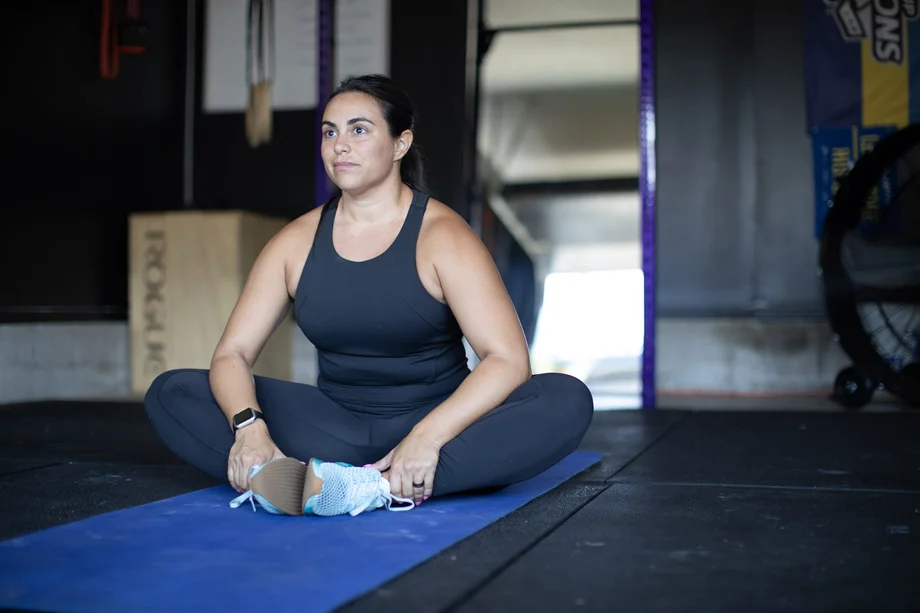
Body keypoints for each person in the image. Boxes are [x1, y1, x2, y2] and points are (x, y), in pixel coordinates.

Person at [144, 74, 594, 517]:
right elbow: (233, 354)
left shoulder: (443, 236)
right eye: (330, 132)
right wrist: (249, 428)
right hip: (333, 425)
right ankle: (334, 479)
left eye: (359, 130)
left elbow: (508, 359)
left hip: (443, 424)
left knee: (566, 399)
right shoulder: (295, 243)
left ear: (400, 144)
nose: (340, 145)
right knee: (174, 391)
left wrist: (428, 436)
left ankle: (363, 488)